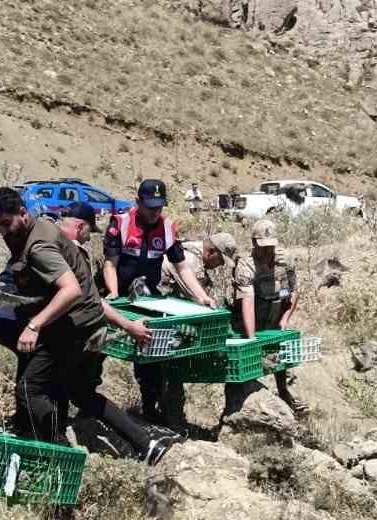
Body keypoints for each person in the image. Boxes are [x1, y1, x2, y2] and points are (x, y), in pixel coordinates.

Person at [0, 186, 178, 463]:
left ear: (23, 214)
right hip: (86, 325)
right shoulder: (44, 231)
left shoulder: (38, 246)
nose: (3, 232)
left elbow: (72, 290)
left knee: (30, 389)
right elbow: (91, 295)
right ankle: (146, 444)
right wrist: (127, 325)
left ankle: (61, 458)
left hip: (70, 330)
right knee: (79, 392)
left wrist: (34, 325)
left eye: (6, 223)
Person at [102, 179, 215, 424]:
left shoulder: (167, 228)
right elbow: (110, 263)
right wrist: (112, 292)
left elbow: (182, 268)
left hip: (147, 298)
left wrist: (201, 296)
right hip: (117, 296)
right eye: (150, 206)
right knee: (99, 347)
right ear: (138, 202)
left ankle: (150, 407)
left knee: (151, 350)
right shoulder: (120, 224)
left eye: (159, 206)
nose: (155, 212)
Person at [156, 232, 238, 428]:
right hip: (160, 320)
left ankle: (168, 417)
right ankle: (169, 421)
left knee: (169, 371)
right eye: (220, 260)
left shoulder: (193, 254)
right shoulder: (190, 261)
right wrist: (224, 329)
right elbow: (198, 303)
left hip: (168, 318)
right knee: (169, 371)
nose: (219, 265)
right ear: (211, 251)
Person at [229, 217, 308, 417]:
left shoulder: (285, 260)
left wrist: (284, 320)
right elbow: (247, 300)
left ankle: (284, 393)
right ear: (254, 243)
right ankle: (239, 410)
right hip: (249, 322)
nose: (267, 251)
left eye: (271, 246)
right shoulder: (246, 265)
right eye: (263, 246)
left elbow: (294, 290)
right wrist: (251, 337)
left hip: (274, 319)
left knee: (280, 359)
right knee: (246, 370)